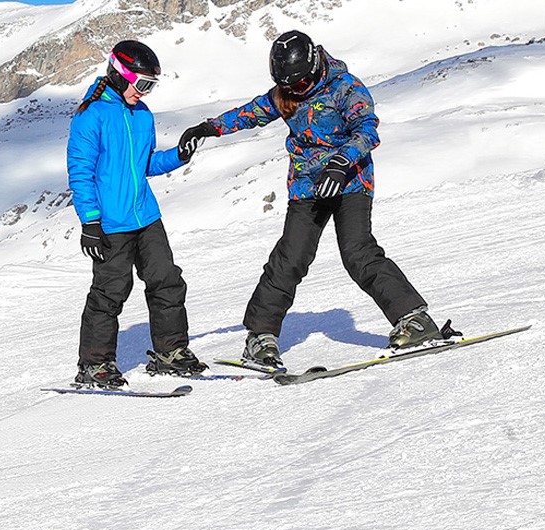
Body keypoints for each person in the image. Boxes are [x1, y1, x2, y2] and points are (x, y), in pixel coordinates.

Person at [178, 30, 443, 372]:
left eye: (301, 84)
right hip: (307, 187)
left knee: (358, 252)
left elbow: (367, 129)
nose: (296, 91)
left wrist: (341, 162)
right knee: (290, 258)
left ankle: (414, 320)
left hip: (349, 182)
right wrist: (206, 129)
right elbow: (249, 113)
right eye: (289, 86)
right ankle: (260, 337)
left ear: (315, 65)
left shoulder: (345, 87)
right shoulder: (285, 92)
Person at [66, 40, 206, 390]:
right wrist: (91, 221)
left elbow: (145, 165)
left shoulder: (142, 115)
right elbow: (80, 172)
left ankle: (170, 352)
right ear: (118, 74)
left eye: (151, 87)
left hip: (146, 216)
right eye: (141, 84)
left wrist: (179, 155)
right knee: (110, 292)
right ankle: (95, 364)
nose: (144, 93)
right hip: (111, 223)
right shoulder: (91, 115)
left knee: (167, 281)